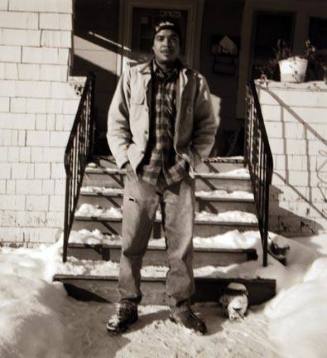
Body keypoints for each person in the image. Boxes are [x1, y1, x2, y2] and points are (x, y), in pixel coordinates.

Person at [106, 20, 218, 335]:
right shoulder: (133, 76)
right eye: (160, 38)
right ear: (153, 44)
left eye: (172, 38)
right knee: (132, 244)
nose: (166, 43)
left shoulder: (194, 81)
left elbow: (206, 127)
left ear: (179, 45)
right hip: (141, 172)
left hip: (178, 176)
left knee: (181, 246)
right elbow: (117, 120)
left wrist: (191, 160)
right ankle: (128, 303)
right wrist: (125, 158)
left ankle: (180, 307)